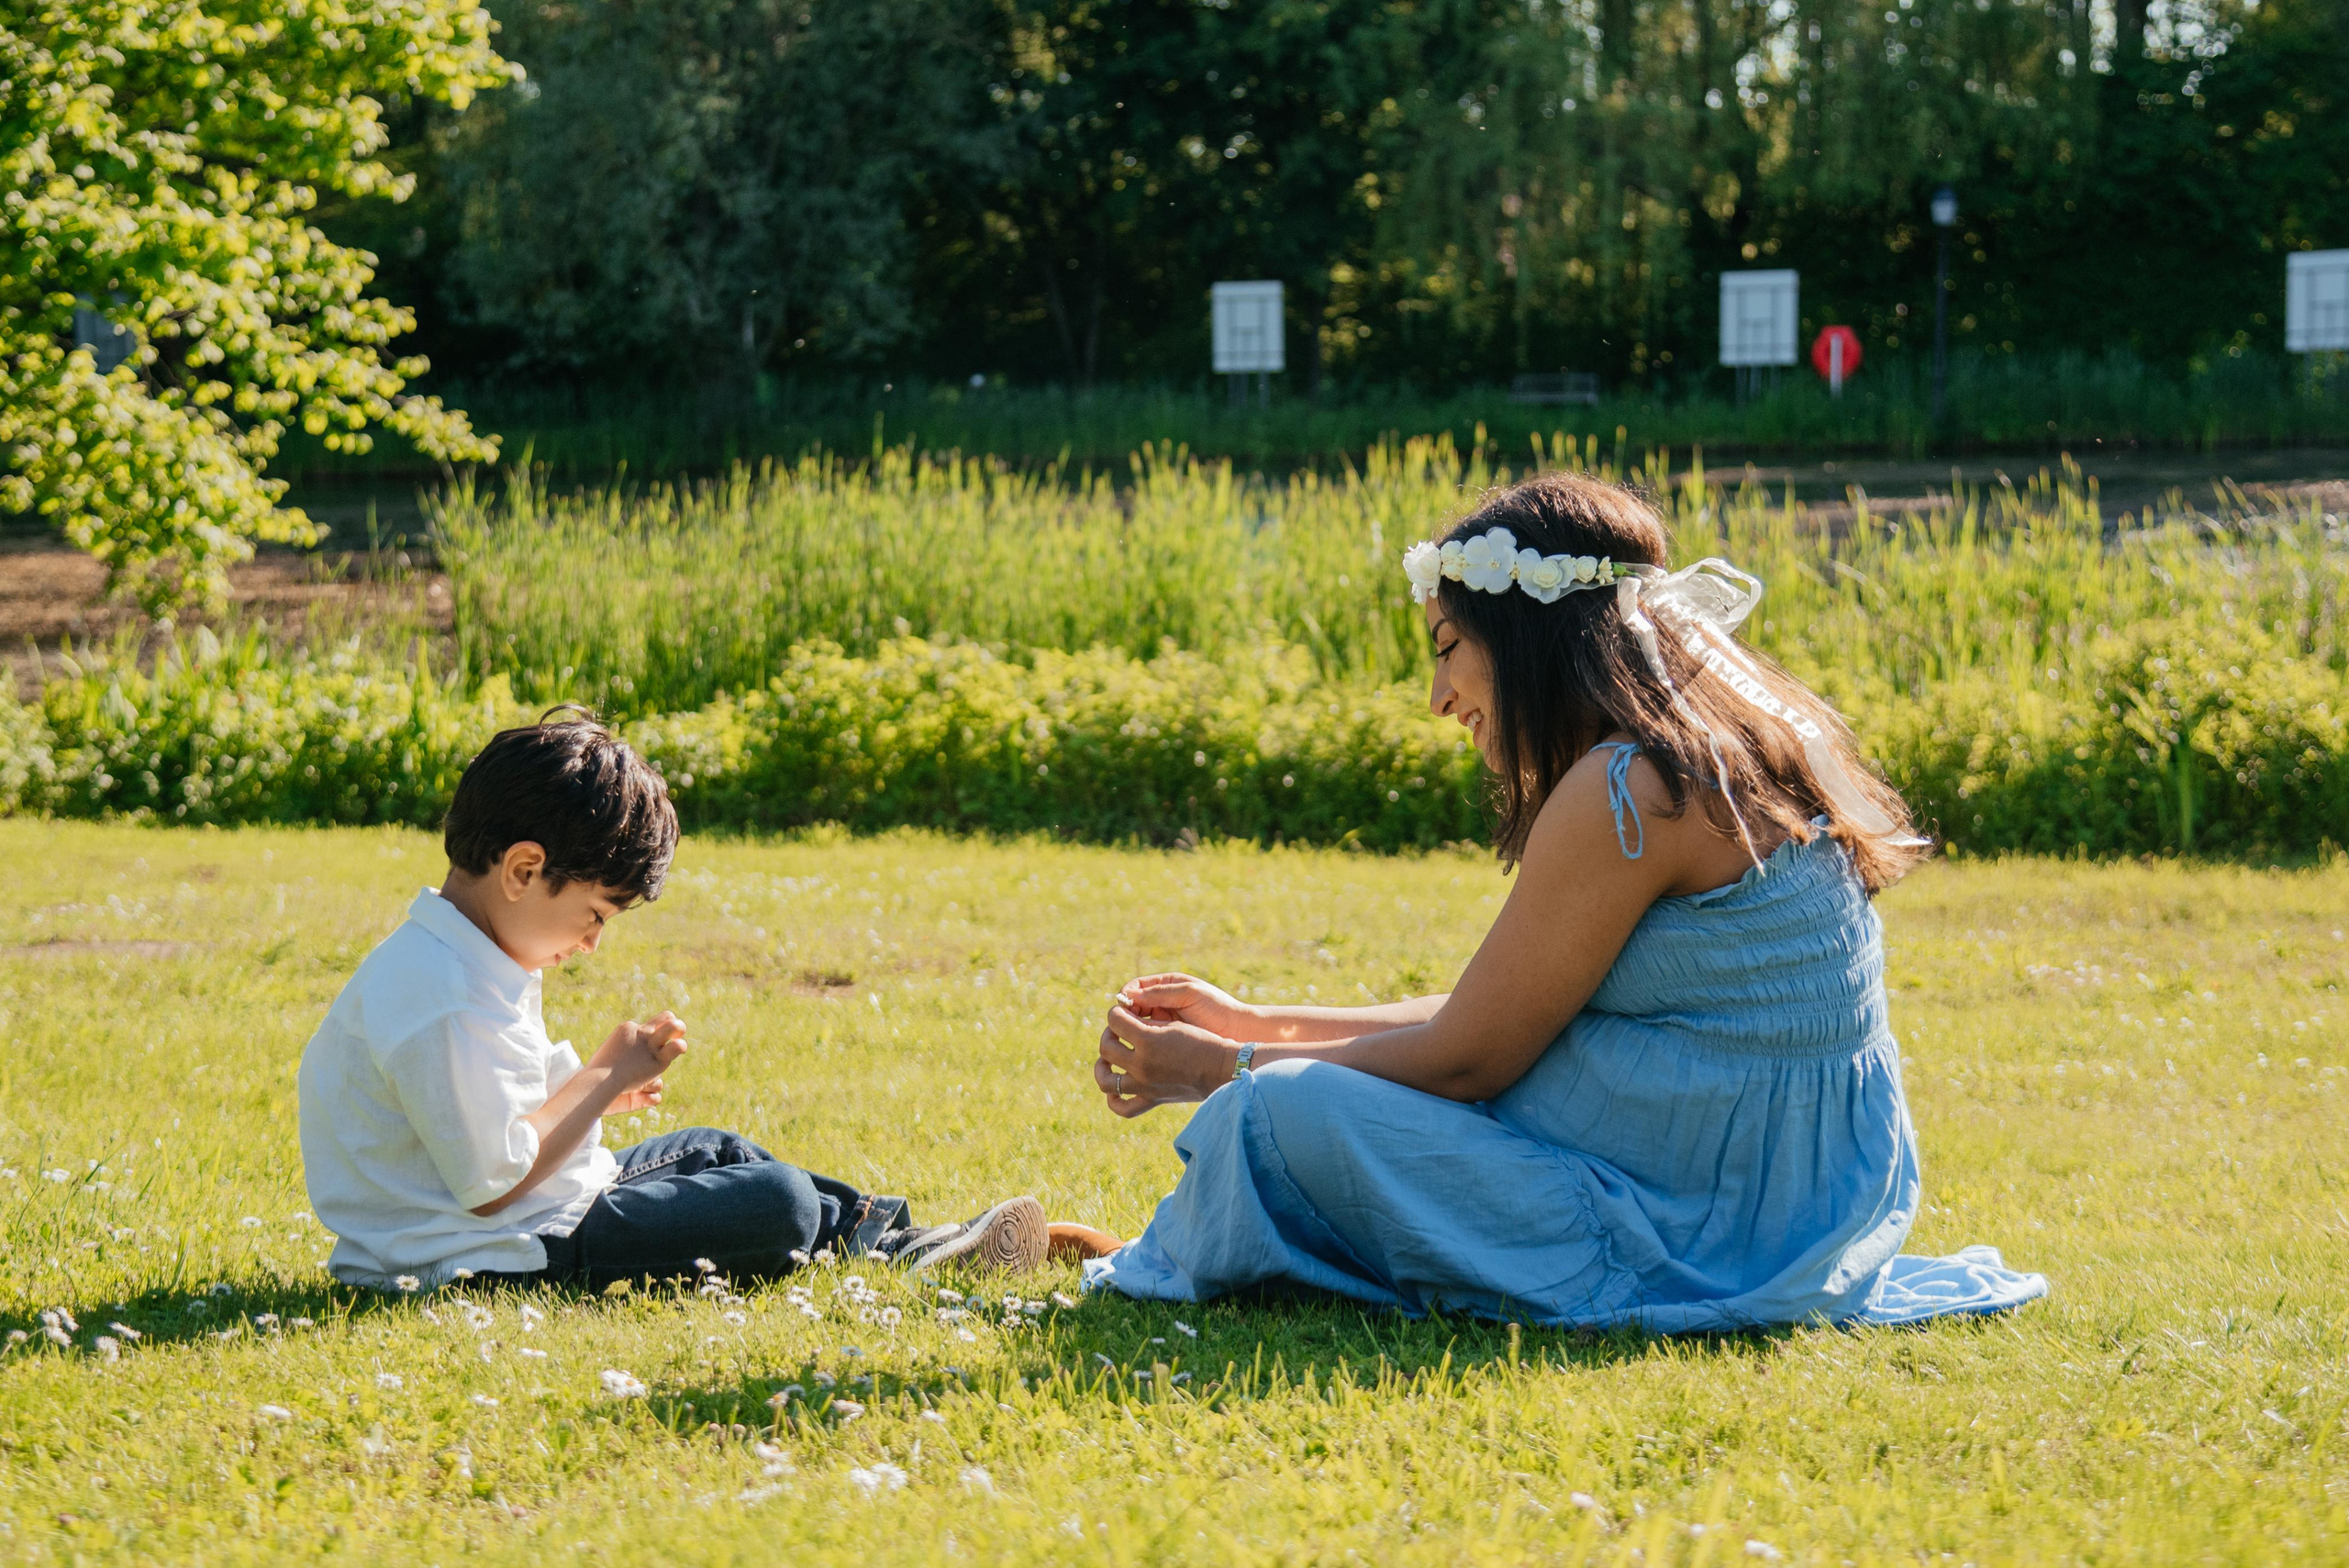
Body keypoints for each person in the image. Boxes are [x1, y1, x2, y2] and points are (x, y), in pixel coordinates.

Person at [1080, 472, 2047, 1329]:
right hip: (1783, 1205)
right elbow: (1504, 1013)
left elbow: (1468, 1057)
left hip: (1690, 1226)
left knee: (1274, 1111)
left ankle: (1211, 1242)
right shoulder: (1722, 744)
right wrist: (1257, 1020)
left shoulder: (1630, 787)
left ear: (1527, 636)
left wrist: (1224, 1067)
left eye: (1448, 646)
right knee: (1289, 1094)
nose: (1438, 695)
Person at [298, 710, 1051, 1292]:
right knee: (777, 1202)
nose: (592, 942)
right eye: (595, 914)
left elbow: (492, 1119)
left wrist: (595, 1098)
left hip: (526, 1215)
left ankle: (895, 1240)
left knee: (716, 1149)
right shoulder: (440, 995)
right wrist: (603, 1078)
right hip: (494, 1252)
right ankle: (881, 1242)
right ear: (524, 870)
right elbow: (491, 1180)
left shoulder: (469, 957)